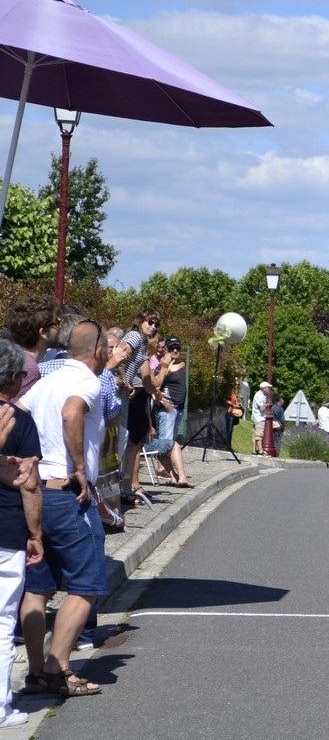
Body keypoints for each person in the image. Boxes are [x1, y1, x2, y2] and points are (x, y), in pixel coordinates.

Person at [18, 319, 109, 698]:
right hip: (65, 491)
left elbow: (15, 411)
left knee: (38, 586)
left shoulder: (43, 382)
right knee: (87, 583)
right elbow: (72, 413)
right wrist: (78, 468)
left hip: (36, 493)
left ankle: (37, 670)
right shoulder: (87, 381)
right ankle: (59, 666)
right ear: (99, 351)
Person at [0, 341, 43, 727]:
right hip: (7, 531)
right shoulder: (18, 419)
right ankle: (0, 706)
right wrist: (35, 534)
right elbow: (29, 483)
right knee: (1, 620)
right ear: (13, 379)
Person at [116, 310, 161, 503]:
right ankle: (119, 489)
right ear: (141, 321)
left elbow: (147, 379)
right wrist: (126, 381)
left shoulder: (142, 343)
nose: (152, 327)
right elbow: (118, 356)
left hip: (125, 391)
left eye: (155, 325)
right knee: (120, 439)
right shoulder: (134, 336)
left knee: (125, 438)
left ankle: (124, 487)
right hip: (117, 388)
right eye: (149, 322)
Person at [143, 337, 191, 487]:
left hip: (177, 410)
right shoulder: (163, 368)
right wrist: (165, 404)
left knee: (168, 445)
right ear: (166, 350)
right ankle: (178, 476)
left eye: (177, 348)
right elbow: (153, 388)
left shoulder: (176, 365)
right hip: (167, 411)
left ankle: (175, 477)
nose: (175, 351)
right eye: (171, 348)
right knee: (166, 444)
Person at [3, 295, 60, 399]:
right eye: (57, 322)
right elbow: (13, 411)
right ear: (43, 332)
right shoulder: (30, 370)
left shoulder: (12, 358)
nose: (60, 326)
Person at [252, 381, 271, 454]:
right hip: (259, 418)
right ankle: (260, 451)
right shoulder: (259, 395)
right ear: (263, 388)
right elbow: (262, 408)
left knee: (255, 435)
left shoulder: (262, 395)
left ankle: (254, 451)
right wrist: (267, 404)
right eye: (268, 387)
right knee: (259, 435)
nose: (269, 389)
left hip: (257, 417)